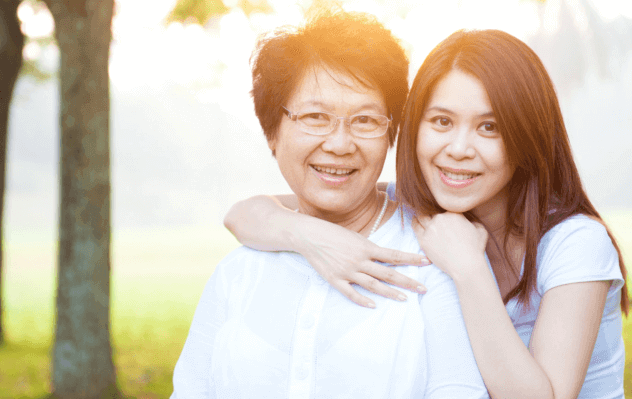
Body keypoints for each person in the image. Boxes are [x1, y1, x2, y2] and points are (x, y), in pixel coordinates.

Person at [224, 29, 628, 398]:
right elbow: (246, 214)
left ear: (526, 137)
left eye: (489, 128)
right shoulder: (419, 208)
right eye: (441, 121)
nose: (458, 148)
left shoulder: (575, 244)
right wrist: (307, 235)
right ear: (413, 127)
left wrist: (470, 270)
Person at [171, 9, 487, 398]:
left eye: (366, 120)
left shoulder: (431, 260)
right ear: (272, 132)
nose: (339, 144)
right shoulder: (238, 272)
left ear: (392, 133)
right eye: (316, 117)